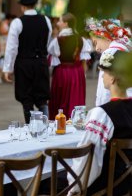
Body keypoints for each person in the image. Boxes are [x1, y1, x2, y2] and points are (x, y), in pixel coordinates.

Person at [67, 50, 132, 195]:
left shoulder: (102, 115)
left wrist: (73, 190)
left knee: (45, 183)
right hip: (126, 187)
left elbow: (88, 162)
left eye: (104, 73)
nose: (102, 76)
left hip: (104, 189)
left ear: (113, 78)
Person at [3, 0, 52, 123]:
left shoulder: (17, 22)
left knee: (26, 98)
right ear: (35, 4)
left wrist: (8, 68)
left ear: (22, 6)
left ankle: (31, 128)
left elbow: (11, 48)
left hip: (24, 63)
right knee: (42, 98)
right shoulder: (46, 20)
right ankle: (45, 126)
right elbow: (47, 41)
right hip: (41, 62)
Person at [48, 13, 91, 119]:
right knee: (75, 99)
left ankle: (60, 121)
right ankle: (75, 121)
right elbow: (83, 61)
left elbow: (53, 55)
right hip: (77, 72)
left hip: (62, 72)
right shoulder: (81, 39)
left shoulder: (57, 40)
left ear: (65, 24)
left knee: (60, 99)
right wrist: (83, 75)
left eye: (60, 21)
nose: (58, 23)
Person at [86, 18, 132, 106]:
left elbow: (103, 92)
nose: (96, 49)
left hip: (115, 106)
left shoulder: (109, 53)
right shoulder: (126, 49)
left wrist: (100, 109)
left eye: (96, 43)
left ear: (105, 37)